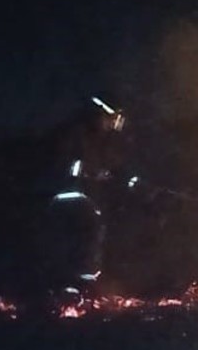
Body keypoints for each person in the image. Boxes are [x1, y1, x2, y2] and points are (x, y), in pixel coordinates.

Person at [43, 96, 139, 298]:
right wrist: (93, 173)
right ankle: (79, 287)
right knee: (87, 237)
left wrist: (124, 178)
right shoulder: (78, 135)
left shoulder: (95, 139)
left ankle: (70, 288)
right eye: (111, 119)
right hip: (72, 197)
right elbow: (70, 165)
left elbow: (112, 165)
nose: (113, 125)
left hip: (77, 197)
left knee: (80, 240)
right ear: (101, 114)